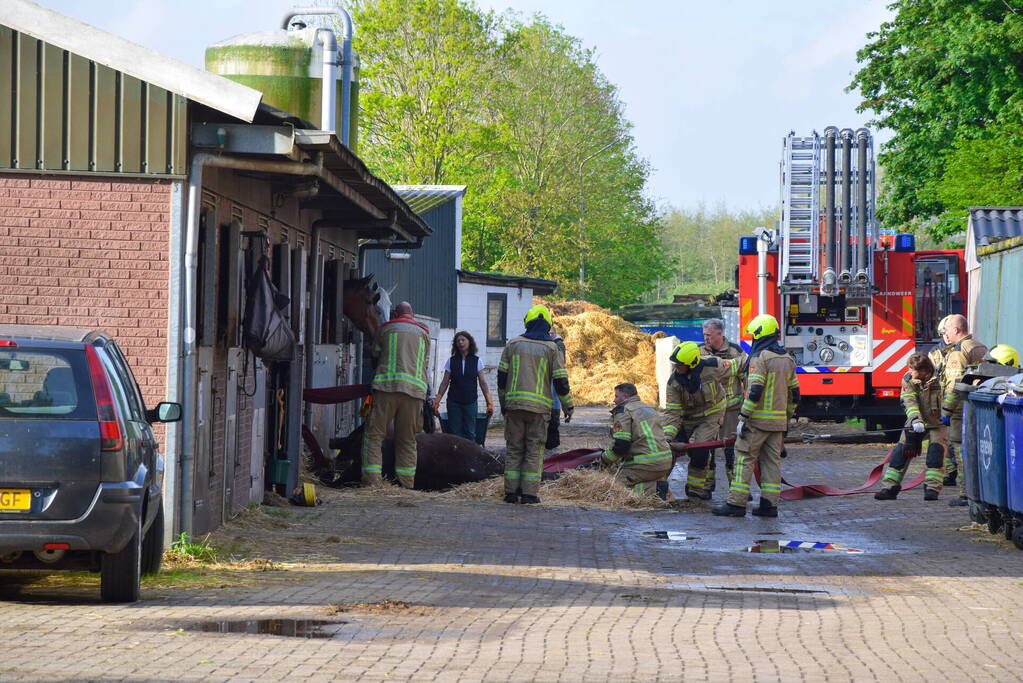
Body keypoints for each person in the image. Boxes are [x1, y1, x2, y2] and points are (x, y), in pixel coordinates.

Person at [713, 314, 797, 518]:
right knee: (772, 463)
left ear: (760, 334)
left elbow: (755, 390)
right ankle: (769, 506)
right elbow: (795, 393)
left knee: (744, 459)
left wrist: (743, 416)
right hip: (777, 423)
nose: (752, 339)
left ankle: (736, 504)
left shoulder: (760, 358)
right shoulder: (787, 358)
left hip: (756, 422)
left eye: (753, 335)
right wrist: (787, 418)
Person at [498, 304, 573, 504]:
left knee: (514, 449)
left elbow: (501, 378)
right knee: (534, 451)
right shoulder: (551, 348)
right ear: (547, 325)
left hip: (514, 406)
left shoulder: (512, 344)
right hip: (539, 410)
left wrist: (503, 404)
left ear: (527, 323)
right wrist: (568, 406)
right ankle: (530, 494)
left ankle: (511, 493)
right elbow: (561, 381)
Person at [361, 301, 430, 488]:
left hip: (387, 388)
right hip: (415, 393)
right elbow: (425, 362)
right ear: (412, 313)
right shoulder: (424, 333)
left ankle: (372, 483)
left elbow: (375, 353)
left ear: (394, 313)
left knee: (374, 435)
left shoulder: (386, 329)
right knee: (407, 439)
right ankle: (406, 484)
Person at [661, 340, 740, 501]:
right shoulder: (674, 383)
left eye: (680, 364)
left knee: (701, 448)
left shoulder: (713, 366)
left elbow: (738, 364)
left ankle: (695, 490)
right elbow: (673, 413)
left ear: (692, 363)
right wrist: (667, 438)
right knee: (669, 450)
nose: (676, 367)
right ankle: (659, 485)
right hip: (687, 417)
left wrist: (758, 362)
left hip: (712, 413)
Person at [875, 353, 947, 501]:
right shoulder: (908, 379)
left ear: (924, 370)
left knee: (936, 454)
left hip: (937, 423)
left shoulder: (941, 380)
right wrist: (915, 420)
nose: (909, 371)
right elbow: (909, 401)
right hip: (915, 422)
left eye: (912, 369)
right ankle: (889, 488)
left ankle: (932, 489)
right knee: (900, 453)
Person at [936, 314, 987, 488]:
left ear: (956, 330)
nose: (946, 334)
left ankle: (966, 491)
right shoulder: (978, 346)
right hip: (978, 405)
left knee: (960, 449)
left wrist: (946, 411)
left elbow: (954, 384)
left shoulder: (958, 351)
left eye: (947, 330)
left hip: (959, 410)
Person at [699, 318, 748, 491]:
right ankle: (706, 487)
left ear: (720, 334)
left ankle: (736, 488)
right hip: (708, 411)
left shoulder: (736, 351)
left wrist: (748, 405)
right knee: (706, 450)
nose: (706, 338)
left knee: (732, 449)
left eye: (709, 335)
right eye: (704, 335)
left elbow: (746, 379)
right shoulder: (699, 351)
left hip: (731, 411)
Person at [599, 383, 673, 494]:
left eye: (616, 396)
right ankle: (656, 484)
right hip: (665, 462)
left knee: (612, 487)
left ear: (625, 397)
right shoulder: (648, 408)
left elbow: (621, 447)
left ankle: (655, 489)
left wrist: (603, 460)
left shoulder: (624, 411)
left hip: (646, 464)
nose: (614, 401)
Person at [433, 331, 494, 443]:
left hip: (470, 402)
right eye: (458, 341)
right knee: (454, 434)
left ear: (469, 342)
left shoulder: (477, 361)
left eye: (463, 340)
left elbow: (483, 383)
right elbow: (444, 383)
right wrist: (437, 401)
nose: (460, 342)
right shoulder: (451, 361)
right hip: (454, 402)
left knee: (470, 433)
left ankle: (469, 458)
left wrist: (489, 403)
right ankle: (455, 458)